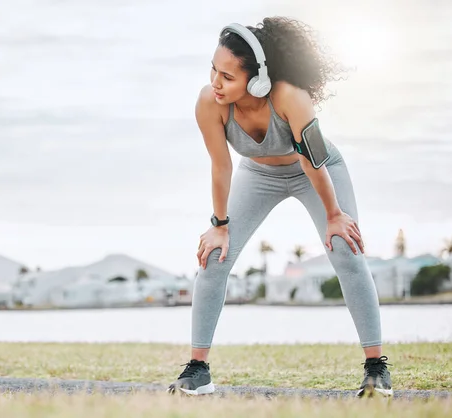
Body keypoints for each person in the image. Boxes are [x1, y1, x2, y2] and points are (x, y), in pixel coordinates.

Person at [167, 17, 392, 398]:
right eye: (213, 70)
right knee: (214, 257)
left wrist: (335, 215)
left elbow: (313, 163)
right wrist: (219, 224)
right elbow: (221, 165)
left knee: (346, 250)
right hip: (258, 174)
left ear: (257, 80)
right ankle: (199, 370)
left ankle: (376, 370)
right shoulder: (210, 102)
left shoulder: (291, 98)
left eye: (227, 76)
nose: (216, 83)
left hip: (315, 170)